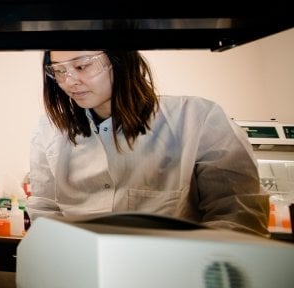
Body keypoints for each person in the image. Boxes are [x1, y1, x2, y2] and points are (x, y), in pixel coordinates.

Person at [28, 50, 268, 236]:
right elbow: (45, 211)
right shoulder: (50, 133)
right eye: (59, 71)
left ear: (119, 60)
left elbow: (238, 217)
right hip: (80, 277)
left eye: (82, 66)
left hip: (176, 279)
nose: (70, 82)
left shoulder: (198, 119)